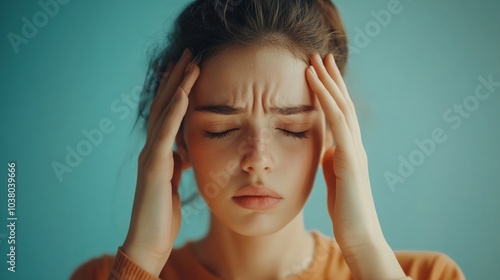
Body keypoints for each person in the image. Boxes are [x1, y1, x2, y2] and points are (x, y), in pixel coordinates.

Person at [71, 0, 465, 279]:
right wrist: (143, 259)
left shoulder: (426, 275)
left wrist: (365, 250)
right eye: (220, 128)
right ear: (178, 138)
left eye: (291, 129)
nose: (257, 159)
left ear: (333, 134)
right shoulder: (103, 276)